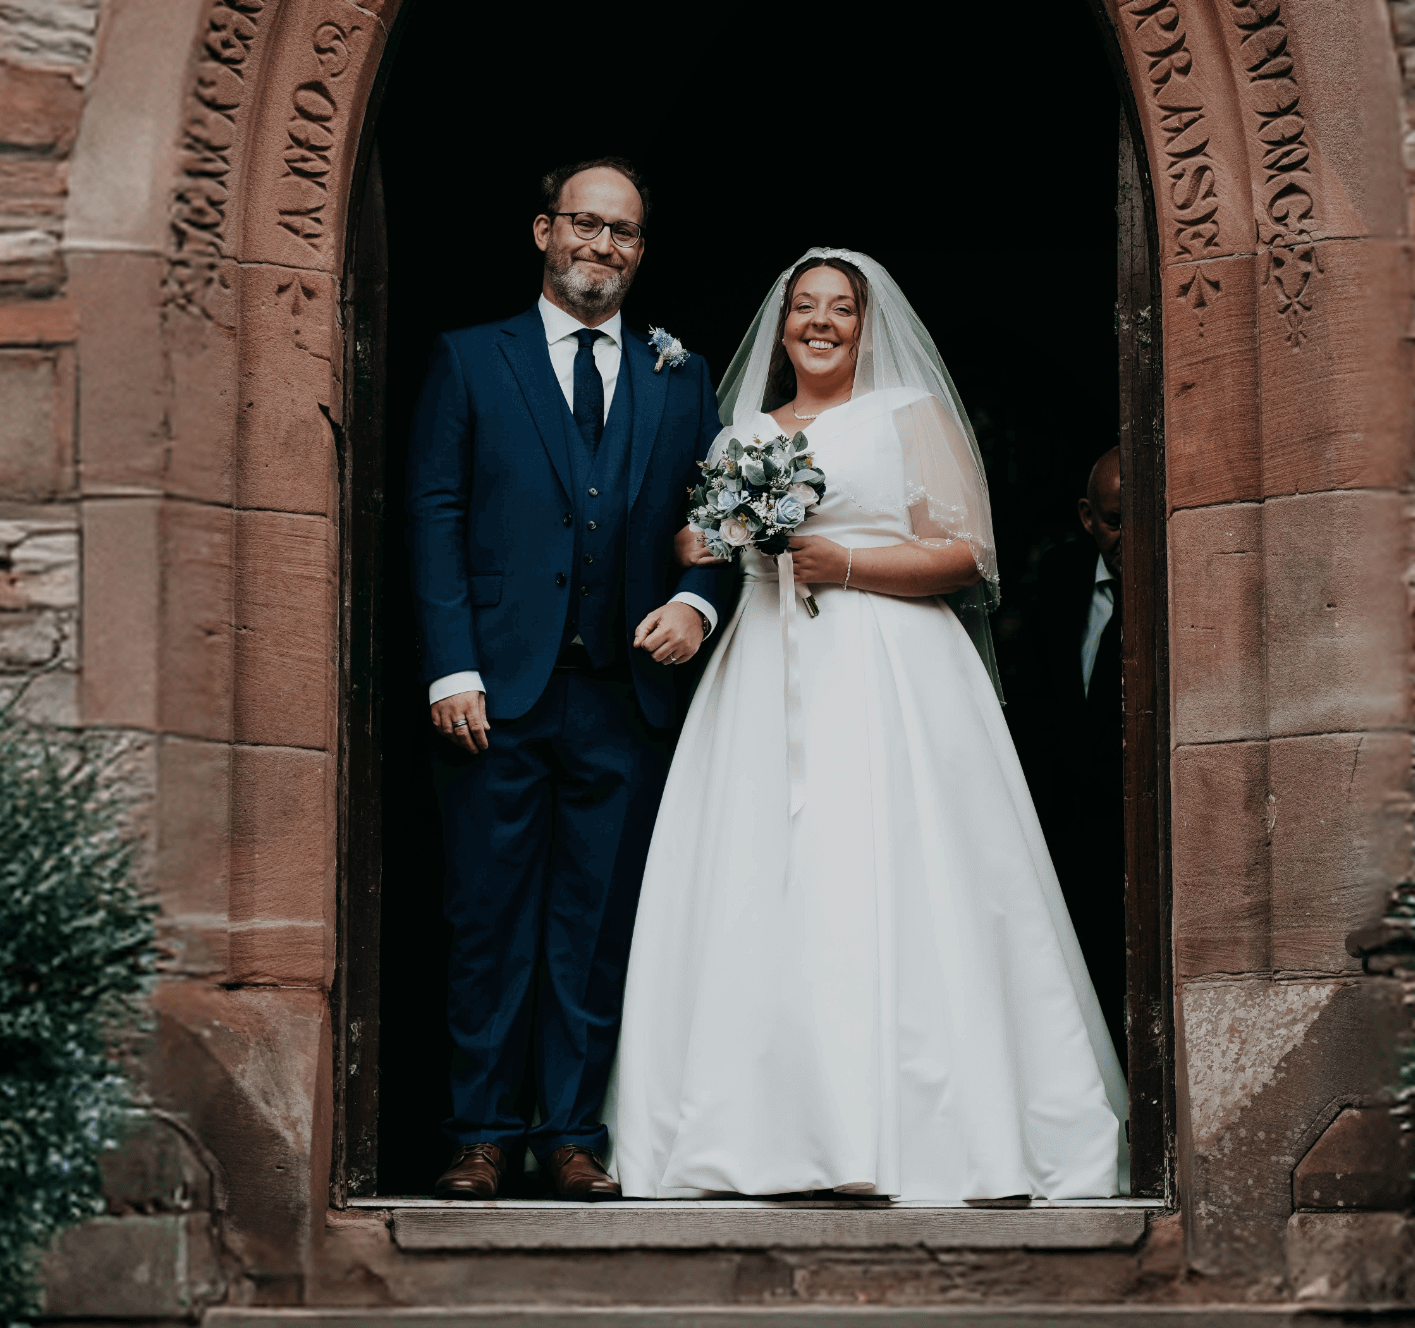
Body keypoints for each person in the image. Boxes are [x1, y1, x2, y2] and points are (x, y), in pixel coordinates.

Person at [608, 249, 1128, 1203]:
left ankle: (921, 1128)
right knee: (760, 876)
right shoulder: (742, 435)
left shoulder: (907, 419)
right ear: (781, 323)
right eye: (804, 306)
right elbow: (700, 542)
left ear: (865, 324)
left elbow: (968, 555)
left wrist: (839, 559)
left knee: (893, 872)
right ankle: (766, 1126)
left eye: (839, 309)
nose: (820, 322)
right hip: (764, 670)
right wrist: (711, 544)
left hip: (893, 668)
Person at [403, 158, 732, 1204]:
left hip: (622, 698)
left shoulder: (680, 374)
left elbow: (717, 513)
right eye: (584, 224)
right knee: (486, 920)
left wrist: (698, 602)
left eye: (624, 231)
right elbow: (436, 513)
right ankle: (481, 1134)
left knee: (595, 926)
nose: (602, 246)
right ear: (543, 231)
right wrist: (451, 663)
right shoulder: (468, 360)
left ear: (641, 249)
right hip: (493, 694)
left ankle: (572, 1134)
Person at [1001, 443, 1128, 1043]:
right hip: (1064, 827)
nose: (1130, 537)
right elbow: (1035, 701)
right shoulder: (1058, 578)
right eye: (1114, 521)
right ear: (1086, 516)